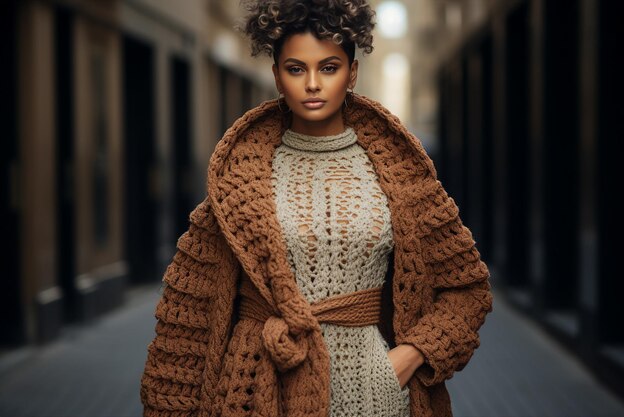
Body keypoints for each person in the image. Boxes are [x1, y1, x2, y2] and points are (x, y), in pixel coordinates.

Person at [139, 1, 494, 416]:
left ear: (352, 73)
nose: (312, 84)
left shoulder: (401, 174)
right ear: (276, 75)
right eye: (295, 69)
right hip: (258, 389)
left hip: (372, 394)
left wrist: (409, 356)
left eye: (328, 68)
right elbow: (189, 318)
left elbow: (466, 288)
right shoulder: (238, 178)